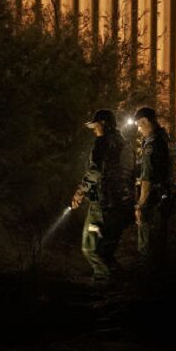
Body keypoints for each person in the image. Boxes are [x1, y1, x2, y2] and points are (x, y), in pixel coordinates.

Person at [71, 109, 135, 285]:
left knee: (90, 247)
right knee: (106, 249)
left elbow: (95, 171)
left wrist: (80, 191)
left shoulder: (103, 143)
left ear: (104, 124)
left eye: (95, 125)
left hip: (101, 205)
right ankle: (118, 283)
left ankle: (102, 282)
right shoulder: (124, 144)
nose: (94, 129)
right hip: (120, 204)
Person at [134, 106, 172, 268]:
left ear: (146, 122)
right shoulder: (166, 139)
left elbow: (147, 179)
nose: (138, 129)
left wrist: (140, 205)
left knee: (147, 244)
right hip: (165, 196)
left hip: (152, 199)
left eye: (139, 125)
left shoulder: (152, 145)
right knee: (160, 240)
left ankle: (147, 280)